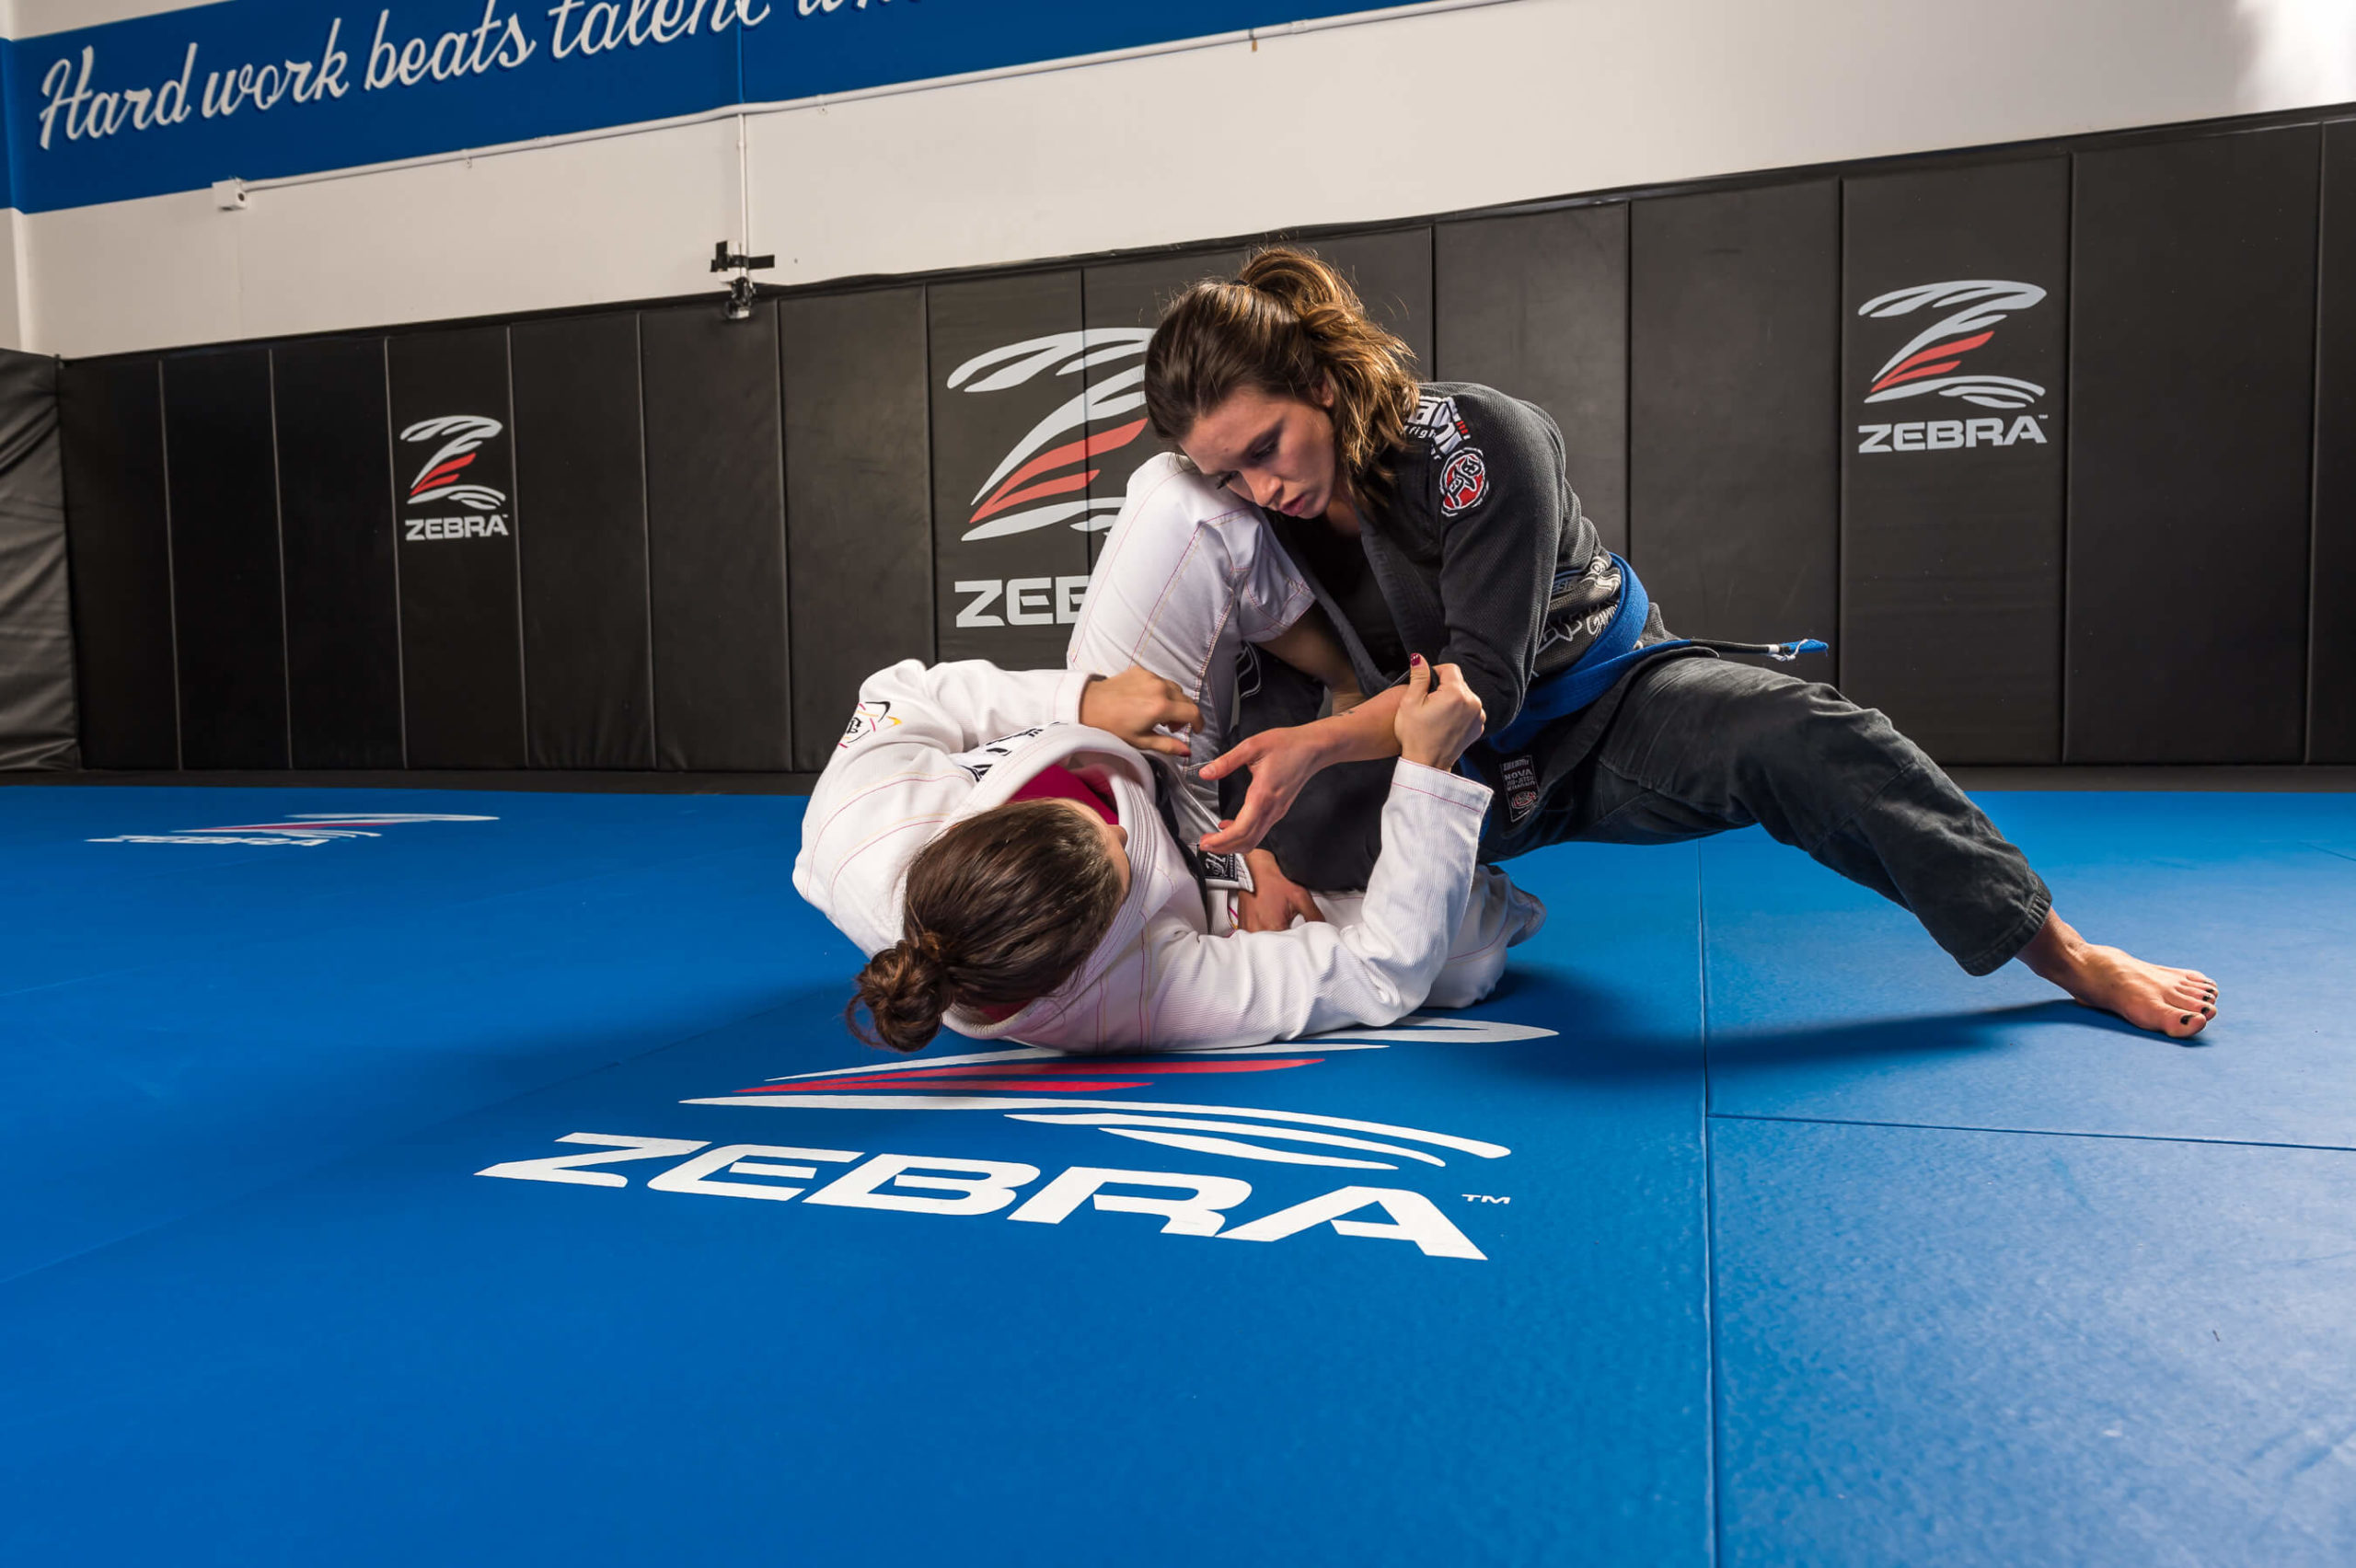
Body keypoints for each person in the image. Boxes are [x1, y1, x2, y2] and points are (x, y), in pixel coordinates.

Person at [1128, 245, 2218, 1039]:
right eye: (1226, 474)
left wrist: (1318, 749)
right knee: (1259, 847)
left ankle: (2069, 955)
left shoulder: (1472, 446)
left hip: (1602, 716)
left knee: (1806, 738)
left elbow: (1482, 690)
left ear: (1319, 382)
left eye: (1268, 447)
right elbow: (1266, 671)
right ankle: (1481, 910)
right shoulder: (1253, 516)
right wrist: (1270, 828)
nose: (1259, 487)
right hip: (1439, 773)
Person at [793, 642, 1542, 1055]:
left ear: (970, 826)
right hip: (1195, 889)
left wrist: (1082, 701)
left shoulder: (860, 818)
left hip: (1134, 733)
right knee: (1467, 951)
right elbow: (1385, 971)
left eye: (1082, 819)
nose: (1119, 826)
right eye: (1118, 861)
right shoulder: (1135, 995)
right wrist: (1425, 769)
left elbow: (905, 692)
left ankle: (1329, 654)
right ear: (1088, 950)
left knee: (1176, 501)